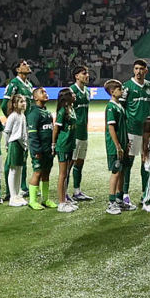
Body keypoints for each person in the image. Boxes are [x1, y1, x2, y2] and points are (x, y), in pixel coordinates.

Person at [122, 59, 150, 209]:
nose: (138, 71)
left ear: (146, 70)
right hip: (131, 130)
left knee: (146, 163)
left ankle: (145, 194)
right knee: (128, 163)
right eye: (136, 68)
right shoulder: (127, 86)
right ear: (133, 70)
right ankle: (124, 194)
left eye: (141, 69)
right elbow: (122, 107)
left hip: (146, 131)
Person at [3, 60, 36, 199]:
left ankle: (22, 187)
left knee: (23, 157)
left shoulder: (29, 84)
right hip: (18, 126)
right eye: (24, 64)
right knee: (11, 160)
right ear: (17, 69)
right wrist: (14, 120)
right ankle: (8, 190)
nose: (28, 66)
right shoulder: (14, 84)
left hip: (26, 125)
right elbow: (5, 104)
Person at [25, 87, 56, 211]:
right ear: (35, 97)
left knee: (46, 173)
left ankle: (45, 199)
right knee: (37, 172)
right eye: (42, 92)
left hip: (48, 149)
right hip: (39, 150)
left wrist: (53, 146)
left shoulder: (47, 112)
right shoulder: (34, 113)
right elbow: (32, 135)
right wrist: (37, 150)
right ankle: (32, 201)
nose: (45, 94)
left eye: (46, 92)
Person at [68, 66, 94, 203]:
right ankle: (64, 193)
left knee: (80, 162)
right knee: (69, 163)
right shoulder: (71, 91)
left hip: (84, 132)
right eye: (84, 73)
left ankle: (77, 191)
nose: (87, 75)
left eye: (87, 73)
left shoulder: (87, 91)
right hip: (75, 132)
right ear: (76, 76)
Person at [51, 88, 78, 212]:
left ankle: (65, 200)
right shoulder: (62, 111)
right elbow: (56, 129)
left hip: (70, 144)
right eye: (72, 94)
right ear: (66, 97)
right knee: (62, 174)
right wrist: (53, 144)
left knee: (66, 173)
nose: (74, 95)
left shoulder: (71, 109)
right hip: (63, 145)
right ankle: (61, 203)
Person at [103, 79, 127, 215]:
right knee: (116, 171)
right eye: (120, 89)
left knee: (121, 172)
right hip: (115, 146)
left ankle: (119, 200)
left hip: (122, 144)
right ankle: (111, 203)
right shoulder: (111, 107)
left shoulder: (119, 105)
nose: (122, 91)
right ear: (112, 91)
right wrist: (117, 146)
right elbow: (111, 128)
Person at [2, 94, 28, 207]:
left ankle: (17, 195)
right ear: (14, 104)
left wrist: (26, 145)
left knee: (19, 170)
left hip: (22, 145)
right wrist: (7, 145)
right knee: (13, 171)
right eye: (21, 101)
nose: (24, 103)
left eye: (24, 101)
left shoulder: (22, 115)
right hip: (14, 144)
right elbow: (7, 132)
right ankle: (12, 197)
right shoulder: (12, 116)